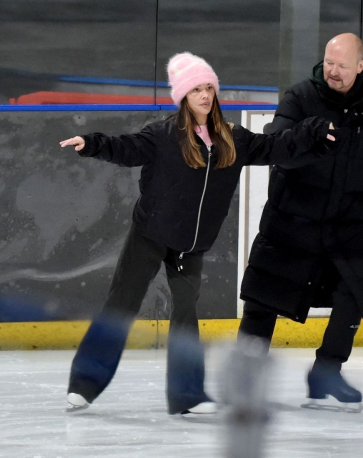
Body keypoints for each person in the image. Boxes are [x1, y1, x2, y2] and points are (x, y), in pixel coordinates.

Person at [59, 52, 338, 415]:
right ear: (184, 97)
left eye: (209, 88)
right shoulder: (163, 135)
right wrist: (92, 143)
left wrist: (312, 131)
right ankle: (84, 385)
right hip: (151, 233)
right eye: (196, 90)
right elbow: (125, 148)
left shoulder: (231, 139)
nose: (205, 95)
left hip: (190, 246)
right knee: (121, 305)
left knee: (186, 314)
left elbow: (275, 146)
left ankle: (187, 395)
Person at [238, 33, 363, 411]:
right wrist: (308, 136)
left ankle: (326, 373)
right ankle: (246, 379)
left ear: (360, 67)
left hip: (345, 224)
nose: (332, 71)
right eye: (328, 62)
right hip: (290, 219)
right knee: (263, 300)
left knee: (358, 293)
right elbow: (275, 147)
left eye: (342, 65)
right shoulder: (300, 98)